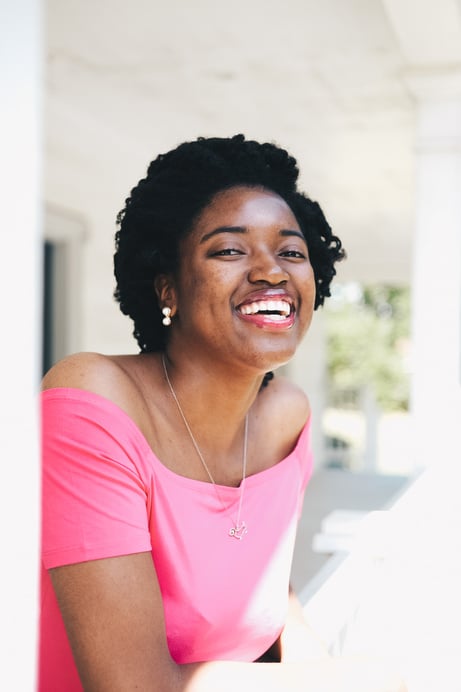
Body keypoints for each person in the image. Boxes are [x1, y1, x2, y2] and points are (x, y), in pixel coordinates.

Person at [40, 134, 405, 691]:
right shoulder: (94, 401)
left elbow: (270, 599)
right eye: (230, 251)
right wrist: (352, 681)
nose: (272, 272)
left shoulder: (287, 418)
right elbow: (130, 685)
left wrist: (329, 672)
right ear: (168, 287)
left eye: (291, 251)